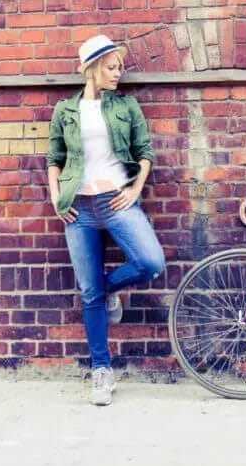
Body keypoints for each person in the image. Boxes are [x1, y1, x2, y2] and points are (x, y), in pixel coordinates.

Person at [46, 34, 166, 406]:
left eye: (119, 67)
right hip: (78, 209)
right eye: (112, 67)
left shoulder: (125, 107)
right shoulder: (65, 110)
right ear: (93, 68)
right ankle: (101, 371)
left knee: (150, 262)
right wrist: (56, 197)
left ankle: (106, 289)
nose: (118, 73)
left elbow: (144, 152)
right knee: (90, 294)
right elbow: (54, 157)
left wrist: (135, 188)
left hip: (116, 200)